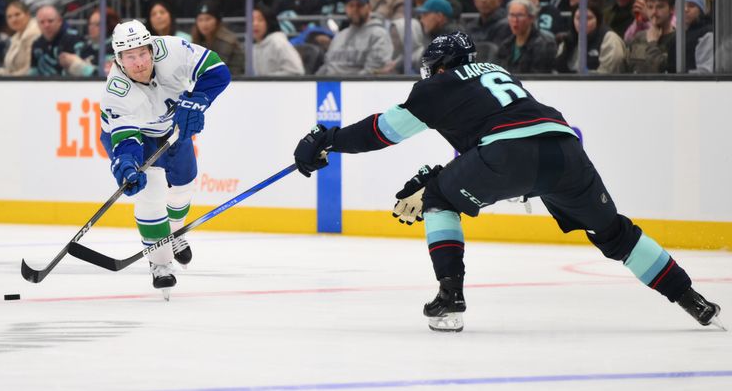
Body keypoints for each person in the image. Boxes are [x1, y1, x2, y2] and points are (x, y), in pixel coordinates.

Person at [292, 31, 724, 333]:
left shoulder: (438, 86)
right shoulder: (495, 72)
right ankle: (692, 300)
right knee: (615, 233)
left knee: (438, 201)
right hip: (564, 149)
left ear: (440, 66)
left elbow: (381, 131)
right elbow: (501, 130)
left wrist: (326, 140)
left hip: (505, 155)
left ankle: (450, 297)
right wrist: (445, 172)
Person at [100, 19, 231, 296]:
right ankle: (160, 265)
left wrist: (198, 99)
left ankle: (176, 232)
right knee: (151, 191)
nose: (139, 62)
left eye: (143, 53)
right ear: (119, 59)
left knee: (183, 189)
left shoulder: (172, 50)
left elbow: (218, 71)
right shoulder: (116, 92)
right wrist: (127, 164)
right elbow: (126, 142)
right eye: (130, 56)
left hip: (173, 128)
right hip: (136, 136)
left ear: (152, 48)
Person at [316, 0, 393, 76]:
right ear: (346, 8)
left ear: (369, 7)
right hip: (331, 87)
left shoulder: (378, 35)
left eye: (359, 5)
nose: (355, 9)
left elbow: (374, 71)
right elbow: (326, 66)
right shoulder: (340, 36)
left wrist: (347, 84)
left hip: (360, 87)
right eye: (351, 5)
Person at [555, 1, 626, 74]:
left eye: (588, 18)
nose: (582, 22)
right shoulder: (568, 39)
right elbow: (557, 70)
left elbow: (607, 75)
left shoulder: (609, 39)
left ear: (598, 20)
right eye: (578, 18)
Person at [496, 0, 556, 73]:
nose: (515, 20)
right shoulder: (506, 44)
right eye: (512, 15)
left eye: (520, 15)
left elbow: (539, 75)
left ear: (532, 18)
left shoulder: (544, 43)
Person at [626, 0, 675, 73]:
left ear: (672, 9)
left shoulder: (678, 40)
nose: (654, 12)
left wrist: (652, 43)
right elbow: (628, 68)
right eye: (650, 7)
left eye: (660, 7)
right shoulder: (639, 37)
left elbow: (664, 70)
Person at [191, 1, 245, 76]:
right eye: (200, 20)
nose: (204, 24)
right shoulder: (196, 40)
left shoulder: (226, 41)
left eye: (208, 19)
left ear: (217, 21)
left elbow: (218, 71)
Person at [252, 3, 304, 76]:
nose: (255, 24)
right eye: (251, 20)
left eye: (260, 20)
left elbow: (296, 71)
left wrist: (265, 80)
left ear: (268, 22)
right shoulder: (252, 46)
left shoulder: (278, 42)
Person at [0, 0, 41, 76]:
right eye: (9, 17)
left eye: (17, 14)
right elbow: (10, 68)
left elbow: (30, 69)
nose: (13, 20)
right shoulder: (15, 37)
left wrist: (7, 78)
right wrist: (0, 72)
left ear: (27, 15)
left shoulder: (34, 33)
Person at [29, 5, 80, 76]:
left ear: (59, 21)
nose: (46, 25)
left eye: (50, 21)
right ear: (37, 24)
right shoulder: (36, 44)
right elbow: (32, 72)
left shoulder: (73, 39)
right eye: (42, 22)